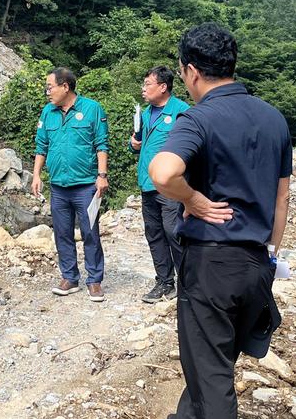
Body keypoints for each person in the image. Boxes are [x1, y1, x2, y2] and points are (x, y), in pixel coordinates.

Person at [140, 23, 292, 419]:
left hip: (211, 261)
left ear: (189, 71)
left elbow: (162, 172)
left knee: (211, 365)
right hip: (257, 259)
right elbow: (282, 194)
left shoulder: (198, 118)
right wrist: (270, 251)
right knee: (213, 356)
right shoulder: (273, 118)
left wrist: (196, 201)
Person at [31, 67, 110, 302]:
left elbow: (101, 144)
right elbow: (41, 146)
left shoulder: (92, 109)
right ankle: (69, 277)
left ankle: (94, 280)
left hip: (86, 185)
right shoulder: (48, 112)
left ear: (65, 87)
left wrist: (102, 175)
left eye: (50, 87)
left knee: (90, 232)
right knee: (62, 234)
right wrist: (36, 175)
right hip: (58, 186)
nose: (47, 92)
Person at [129, 66, 190, 303]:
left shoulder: (182, 112)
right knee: (153, 233)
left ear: (163, 87)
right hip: (147, 184)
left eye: (147, 84)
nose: (143, 89)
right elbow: (139, 145)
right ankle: (164, 282)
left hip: (171, 186)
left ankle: (187, 282)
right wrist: (133, 145)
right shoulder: (144, 114)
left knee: (174, 231)